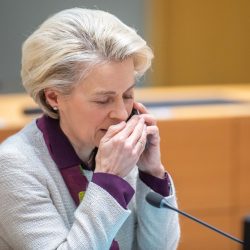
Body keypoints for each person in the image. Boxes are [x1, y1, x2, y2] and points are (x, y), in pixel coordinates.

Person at [0, 8, 180, 250]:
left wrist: (152, 173)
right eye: (103, 100)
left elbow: (159, 248)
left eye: (127, 95)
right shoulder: (13, 166)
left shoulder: (120, 152)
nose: (121, 114)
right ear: (54, 96)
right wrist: (109, 180)